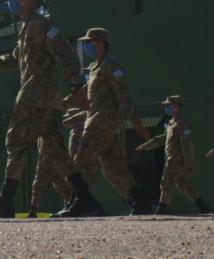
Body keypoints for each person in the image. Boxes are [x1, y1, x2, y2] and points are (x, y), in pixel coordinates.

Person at [0, 0, 82, 218]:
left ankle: (5, 202)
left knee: (16, 141)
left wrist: (76, 87)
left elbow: (67, 53)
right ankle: (86, 199)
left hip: (36, 97)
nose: (10, 2)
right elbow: (13, 60)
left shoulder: (41, 25)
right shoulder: (27, 27)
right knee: (56, 151)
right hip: (44, 99)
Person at [54, 28, 153, 217]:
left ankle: (81, 202)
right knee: (113, 167)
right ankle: (141, 203)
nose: (86, 46)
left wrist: (137, 124)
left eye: (89, 42)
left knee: (79, 161)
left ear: (100, 43)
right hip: (97, 121)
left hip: (103, 123)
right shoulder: (93, 68)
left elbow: (124, 96)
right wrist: (59, 105)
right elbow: (81, 94)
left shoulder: (111, 66)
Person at [136, 96, 213, 214]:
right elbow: (162, 139)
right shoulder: (171, 123)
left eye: (169, 105)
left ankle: (161, 209)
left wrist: (188, 162)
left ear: (177, 106)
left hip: (176, 159)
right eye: (166, 106)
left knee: (166, 182)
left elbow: (187, 145)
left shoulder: (182, 123)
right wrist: (145, 146)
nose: (166, 108)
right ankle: (203, 206)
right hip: (172, 157)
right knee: (182, 184)